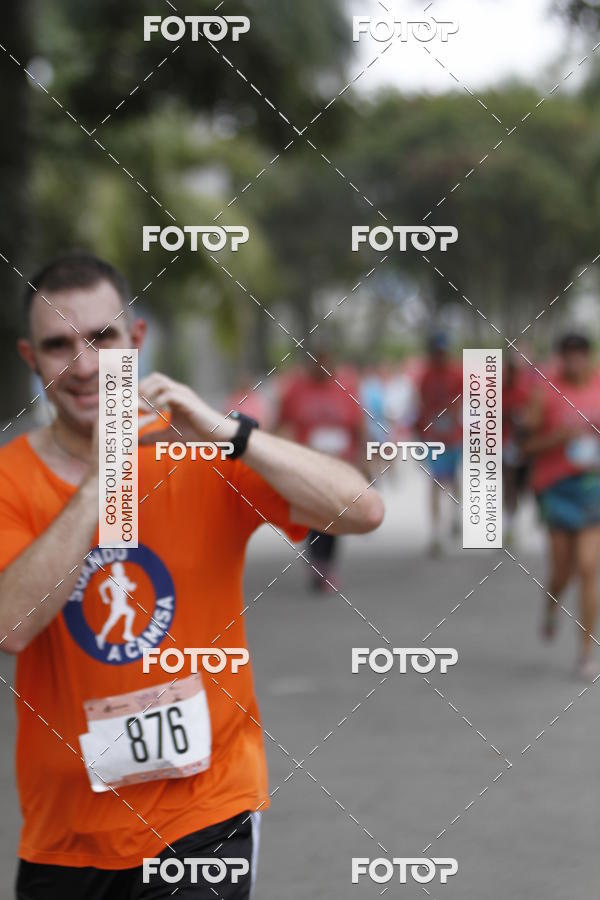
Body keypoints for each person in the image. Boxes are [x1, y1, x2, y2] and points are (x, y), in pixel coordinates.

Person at [0, 252, 384, 899]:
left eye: (102, 337)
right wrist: (103, 476)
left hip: (202, 815)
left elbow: (362, 509)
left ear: (137, 339)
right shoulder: (11, 477)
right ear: (29, 357)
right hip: (64, 838)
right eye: (59, 344)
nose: (85, 364)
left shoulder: (198, 449)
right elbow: (12, 623)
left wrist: (227, 431)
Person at [525, 333, 600, 680]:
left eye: (580, 355)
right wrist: (560, 437)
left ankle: (585, 653)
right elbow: (525, 447)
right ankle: (550, 605)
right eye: (567, 356)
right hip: (556, 488)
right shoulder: (546, 393)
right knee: (562, 571)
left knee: (588, 568)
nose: (574, 362)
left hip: (592, 488)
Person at [277, 351, 367, 593]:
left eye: (326, 362)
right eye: (316, 362)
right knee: (314, 515)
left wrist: (364, 461)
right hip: (308, 466)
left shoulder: (346, 387)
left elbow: (359, 427)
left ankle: (328, 564)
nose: (321, 366)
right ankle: (318, 564)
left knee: (335, 517)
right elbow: (281, 423)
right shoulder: (296, 389)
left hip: (339, 466)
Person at [415, 332, 462, 555]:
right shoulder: (425, 377)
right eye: (436, 353)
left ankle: (455, 515)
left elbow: (465, 401)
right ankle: (436, 533)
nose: (439, 357)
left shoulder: (456, 374)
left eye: (442, 352)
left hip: (454, 438)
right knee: (435, 481)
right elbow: (421, 404)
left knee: (452, 479)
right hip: (434, 439)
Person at [502, 354, 534, 547]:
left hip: (522, 445)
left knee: (522, 485)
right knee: (509, 483)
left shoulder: (525, 392)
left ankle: (515, 515)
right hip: (503, 445)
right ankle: (510, 524)